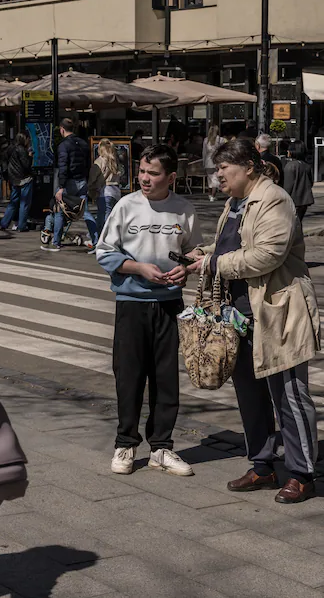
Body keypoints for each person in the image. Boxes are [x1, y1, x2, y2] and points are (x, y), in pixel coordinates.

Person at [185, 138, 320, 504]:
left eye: (222, 170)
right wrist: (201, 254)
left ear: (247, 166)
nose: (217, 177)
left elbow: (267, 255)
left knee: (290, 396)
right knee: (250, 395)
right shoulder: (236, 203)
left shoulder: (274, 199)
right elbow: (233, 246)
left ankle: (303, 474)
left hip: (276, 312)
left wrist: (214, 263)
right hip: (239, 315)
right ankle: (263, 466)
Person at [96, 144, 201, 478]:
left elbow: (194, 249)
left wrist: (187, 267)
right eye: (142, 171)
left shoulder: (183, 209)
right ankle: (125, 443)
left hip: (170, 305)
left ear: (170, 177)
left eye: (153, 173)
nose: (144, 178)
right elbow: (103, 251)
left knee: (166, 379)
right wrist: (137, 268)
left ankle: (162, 448)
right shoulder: (126, 206)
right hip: (131, 304)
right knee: (128, 377)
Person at [47, 118, 95, 252]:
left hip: (69, 182)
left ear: (62, 129)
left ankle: (56, 242)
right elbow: (87, 163)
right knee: (85, 212)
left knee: (60, 211)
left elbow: (63, 166)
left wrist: (61, 187)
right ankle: (96, 240)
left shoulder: (63, 146)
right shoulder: (83, 143)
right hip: (82, 181)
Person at [0, 132, 33, 233]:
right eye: (28, 139)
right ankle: (22, 226)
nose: (29, 141)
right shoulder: (22, 150)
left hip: (14, 178)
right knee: (24, 203)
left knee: (13, 202)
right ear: (24, 139)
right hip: (25, 178)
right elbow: (26, 165)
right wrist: (30, 156)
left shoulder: (10, 148)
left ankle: (4, 223)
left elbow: (4, 161)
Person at [89, 138, 122, 240]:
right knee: (112, 217)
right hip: (116, 192)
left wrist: (90, 188)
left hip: (105, 191)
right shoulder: (115, 161)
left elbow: (92, 177)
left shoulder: (99, 161)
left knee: (103, 218)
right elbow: (122, 172)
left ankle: (102, 241)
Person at [279, 140, 314, 220]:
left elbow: (288, 186)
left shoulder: (290, 166)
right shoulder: (306, 166)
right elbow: (310, 183)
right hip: (304, 201)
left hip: (293, 200)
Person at [203, 125, 226, 201]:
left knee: (209, 179)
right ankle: (213, 195)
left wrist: (203, 162)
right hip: (216, 161)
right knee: (215, 179)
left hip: (208, 161)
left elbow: (204, 152)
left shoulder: (206, 140)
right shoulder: (221, 140)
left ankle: (210, 195)